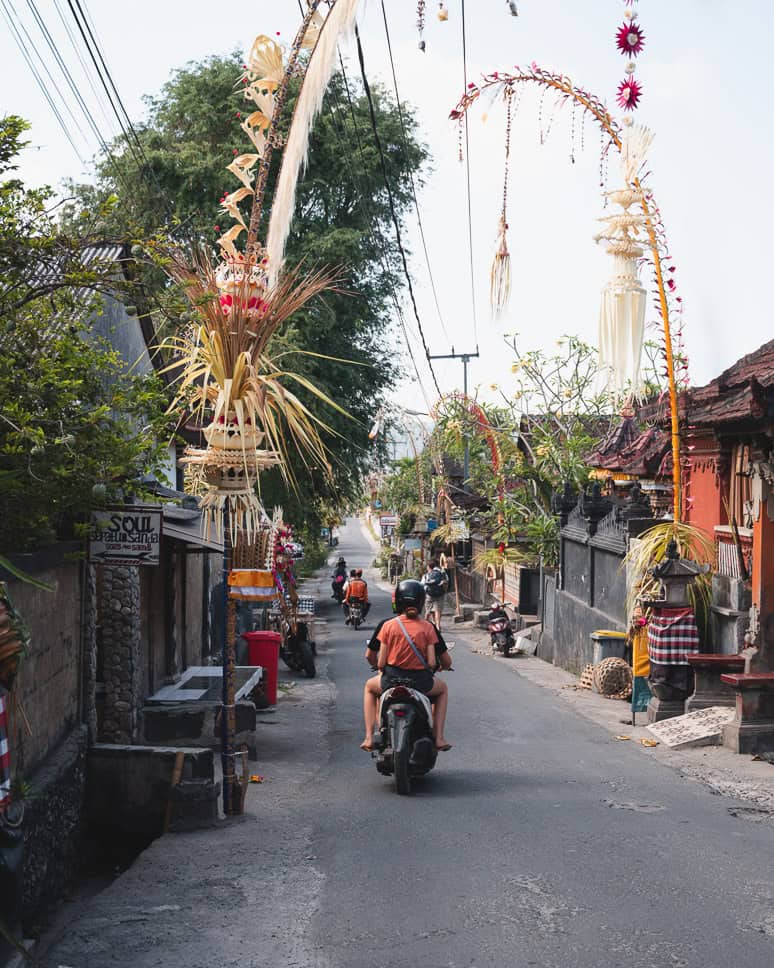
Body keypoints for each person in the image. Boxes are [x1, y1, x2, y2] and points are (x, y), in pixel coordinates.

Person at [360, 579, 451, 752]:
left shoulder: (387, 626)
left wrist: (380, 668)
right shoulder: (428, 627)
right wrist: (440, 666)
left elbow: (372, 657)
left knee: (369, 688)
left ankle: (369, 737)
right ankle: (439, 737)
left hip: (390, 680)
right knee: (443, 689)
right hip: (422, 682)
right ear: (421, 601)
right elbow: (443, 662)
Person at [421, 558, 449, 629]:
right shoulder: (442, 572)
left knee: (428, 611)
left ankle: (424, 626)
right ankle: (437, 626)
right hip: (440, 594)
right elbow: (447, 580)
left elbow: (422, 585)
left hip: (429, 594)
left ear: (429, 566)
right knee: (437, 610)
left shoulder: (426, 575)